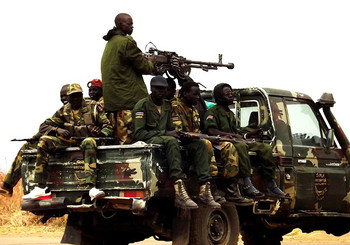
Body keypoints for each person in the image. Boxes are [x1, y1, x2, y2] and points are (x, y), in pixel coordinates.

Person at [132, 75, 220, 209]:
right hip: (149, 139)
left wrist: (182, 135)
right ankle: (179, 190)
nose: (161, 92)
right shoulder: (142, 105)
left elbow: (172, 127)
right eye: (158, 89)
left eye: (164, 89)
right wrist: (166, 133)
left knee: (200, 144)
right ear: (151, 89)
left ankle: (205, 189)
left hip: (166, 138)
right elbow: (139, 133)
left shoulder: (168, 106)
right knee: (171, 141)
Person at [23, 84, 114, 200]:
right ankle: (40, 187)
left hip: (86, 140)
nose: (76, 99)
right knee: (43, 141)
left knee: (89, 142)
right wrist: (57, 129)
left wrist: (100, 133)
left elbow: (108, 127)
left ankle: (92, 187)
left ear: (82, 95)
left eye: (78, 95)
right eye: (72, 96)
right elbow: (44, 126)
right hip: (69, 141)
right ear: (68, 98)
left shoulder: (94, 107)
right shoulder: (64, 110)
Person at [204, 83, 289, 199]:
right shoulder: (212, 113)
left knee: (265, 148)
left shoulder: (230, 114)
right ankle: (247, 183)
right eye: (227, 94)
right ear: (219, 97)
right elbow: (211, 130)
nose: (231, 95)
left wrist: (247, 134)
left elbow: (236, 132)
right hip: (221, 143)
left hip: (236, 140)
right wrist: (231, 135)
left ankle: (271, 184)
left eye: (231, 93)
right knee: (241, 147)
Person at [173, 81, 251, 205]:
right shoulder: (176, 107)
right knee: (207, 144)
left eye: (199, 94)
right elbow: (181, 133)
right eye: (195, 94)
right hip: (182, 143)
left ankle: (230, 189)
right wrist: (210, 137)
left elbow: (197, 131)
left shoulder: (193, 110)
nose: (198, 98)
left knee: (227, 146)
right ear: (185, 93)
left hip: (195, 141)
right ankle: (211, 187)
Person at [0, 84, 69, 197]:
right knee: (27, 146)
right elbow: (46, 126)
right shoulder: (62, 111)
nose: (64, 99)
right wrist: (36, 137)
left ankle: (8, 185)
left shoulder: (83, 107)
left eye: (66, 96)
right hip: (58, 142)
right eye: (62, 96)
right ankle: (7, 185)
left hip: (70, 142)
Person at [101, 13, 155, 145]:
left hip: (114, 103)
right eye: (129, 23)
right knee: (131, 144)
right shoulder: (126, 42)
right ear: (120, 25)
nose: (132, 26)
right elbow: (144, 67)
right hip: (129, 103)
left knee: (119, 144)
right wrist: (151, 62)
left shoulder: (110, 43)